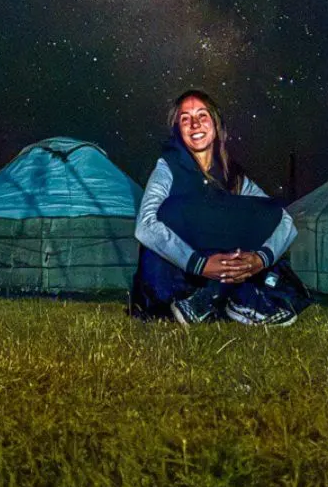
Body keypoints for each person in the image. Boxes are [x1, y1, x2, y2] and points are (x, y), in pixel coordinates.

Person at [131, 89, 311, 326]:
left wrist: (258, 260)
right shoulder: (168, 168)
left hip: (223, 266)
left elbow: (282, 219)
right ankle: (227, 298)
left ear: (215, 124)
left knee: (262, 219)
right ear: (178, 130)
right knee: (171, 211)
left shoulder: (234, 177)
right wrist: (200, 264)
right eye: (185, 119)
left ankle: (221, 296)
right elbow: (145, 226)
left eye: (202, 116)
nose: (195, 124)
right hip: (179, 271)